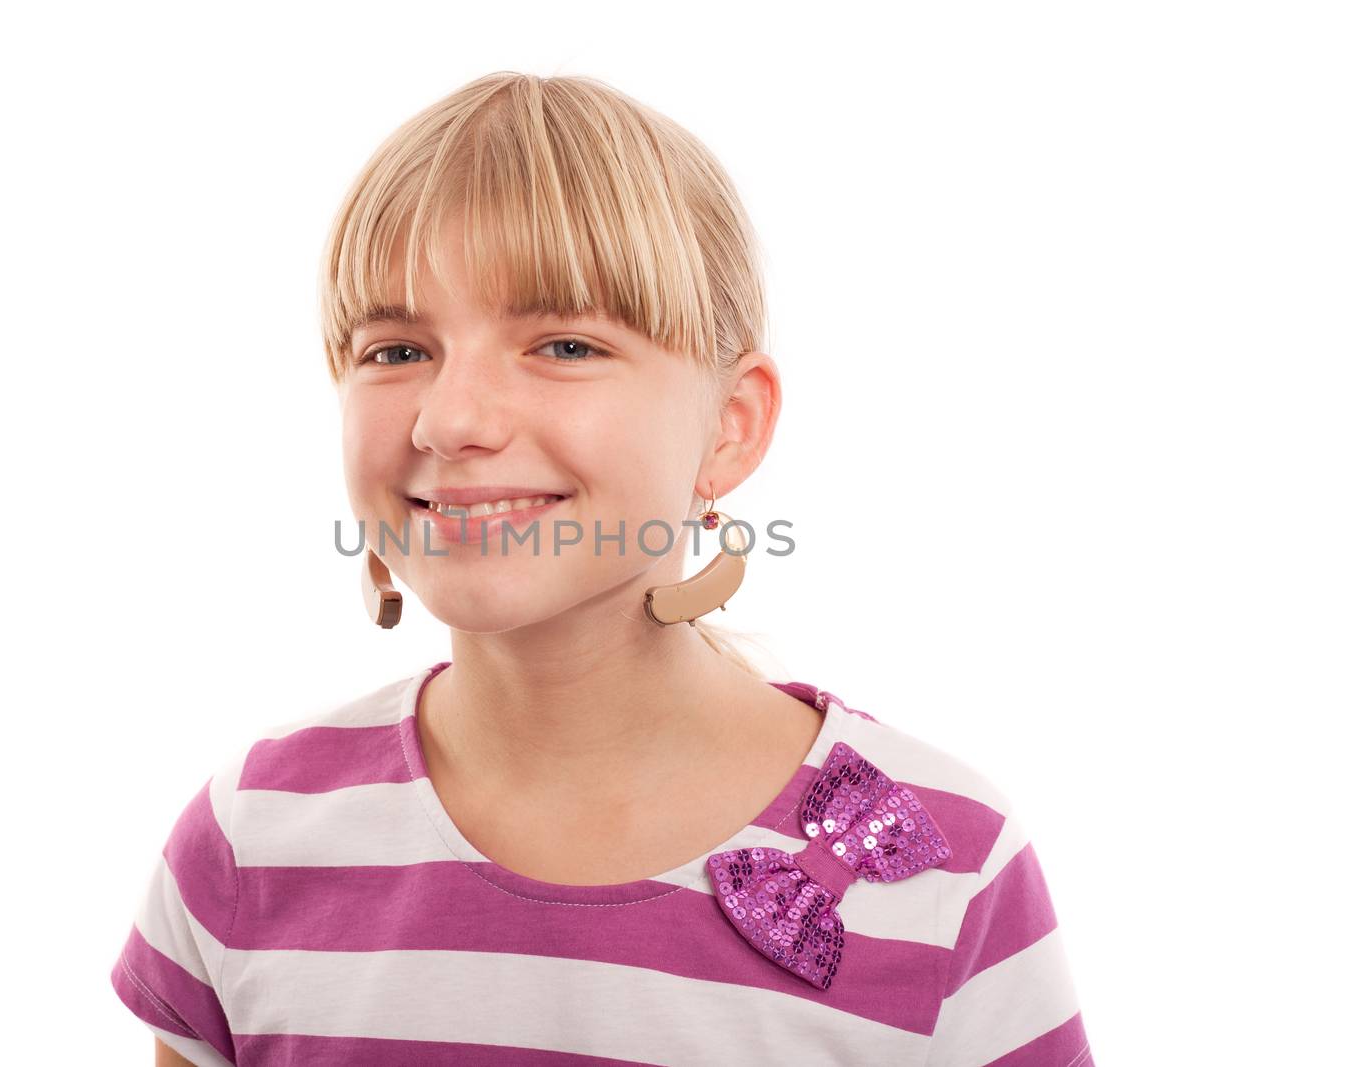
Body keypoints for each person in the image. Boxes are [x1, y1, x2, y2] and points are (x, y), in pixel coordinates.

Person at [109, 71, 1094, 1067]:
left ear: (730, 427)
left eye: (564, 343)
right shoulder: (252, 835)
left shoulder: (947, 860)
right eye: (396, 348)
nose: (450, 419)